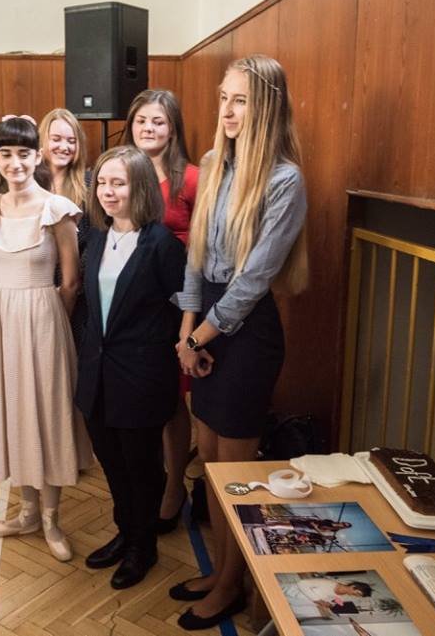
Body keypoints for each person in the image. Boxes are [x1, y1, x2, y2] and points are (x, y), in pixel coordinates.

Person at [169, 54, 309, 630]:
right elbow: (196, 256)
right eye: (223, 98)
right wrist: (186, 331)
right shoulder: (212, 163)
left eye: (241, 100)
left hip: (246, 334)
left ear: (267, 107)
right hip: (204, 324)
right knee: (208, 460)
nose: (227, 111)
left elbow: (252, 280)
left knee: (236, 476)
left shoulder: (285, 180)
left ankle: (232, 584)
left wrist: (201, 334)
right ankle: (221, 570)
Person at [0, 117, 93, 562]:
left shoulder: (57, 209)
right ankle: (25, 512)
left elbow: (71, 280)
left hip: (44, 317)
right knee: (14, 410)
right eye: (5, 154)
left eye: (23, 154)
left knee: (47, 412)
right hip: (2, 318)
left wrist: (52, 326)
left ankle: (51, 517)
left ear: (36, 156)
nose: (14, 163)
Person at [75, 146, 185, 589]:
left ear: (139, 187)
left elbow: (181, 308)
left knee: (142, 466)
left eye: (118, 183)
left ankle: (144, 545)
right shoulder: (97, 237)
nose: (107, 191)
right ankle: (126, 531)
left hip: (141, 376)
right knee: (112, 462)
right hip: (97, 374)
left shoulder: (162, 244)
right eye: (102, 182)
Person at [121, 89, 198, 533]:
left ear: (173, 129)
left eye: (158, 121)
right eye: (141, 121)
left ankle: (174, 486)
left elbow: (203, 251)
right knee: (139, 397)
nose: (148, 128)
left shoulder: (191, 178)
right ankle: (145, 483)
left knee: (170, 401)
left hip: (174, 306)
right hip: (132, 307)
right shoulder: (122, 173)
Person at [38, 108, 90, 348]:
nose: (64, 147)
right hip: (37, 292)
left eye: (71, 140)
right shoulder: (28, 184)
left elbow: (94, 244)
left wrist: (68, 290)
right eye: (56, 139)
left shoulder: (89, 184)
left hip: (77, 297)